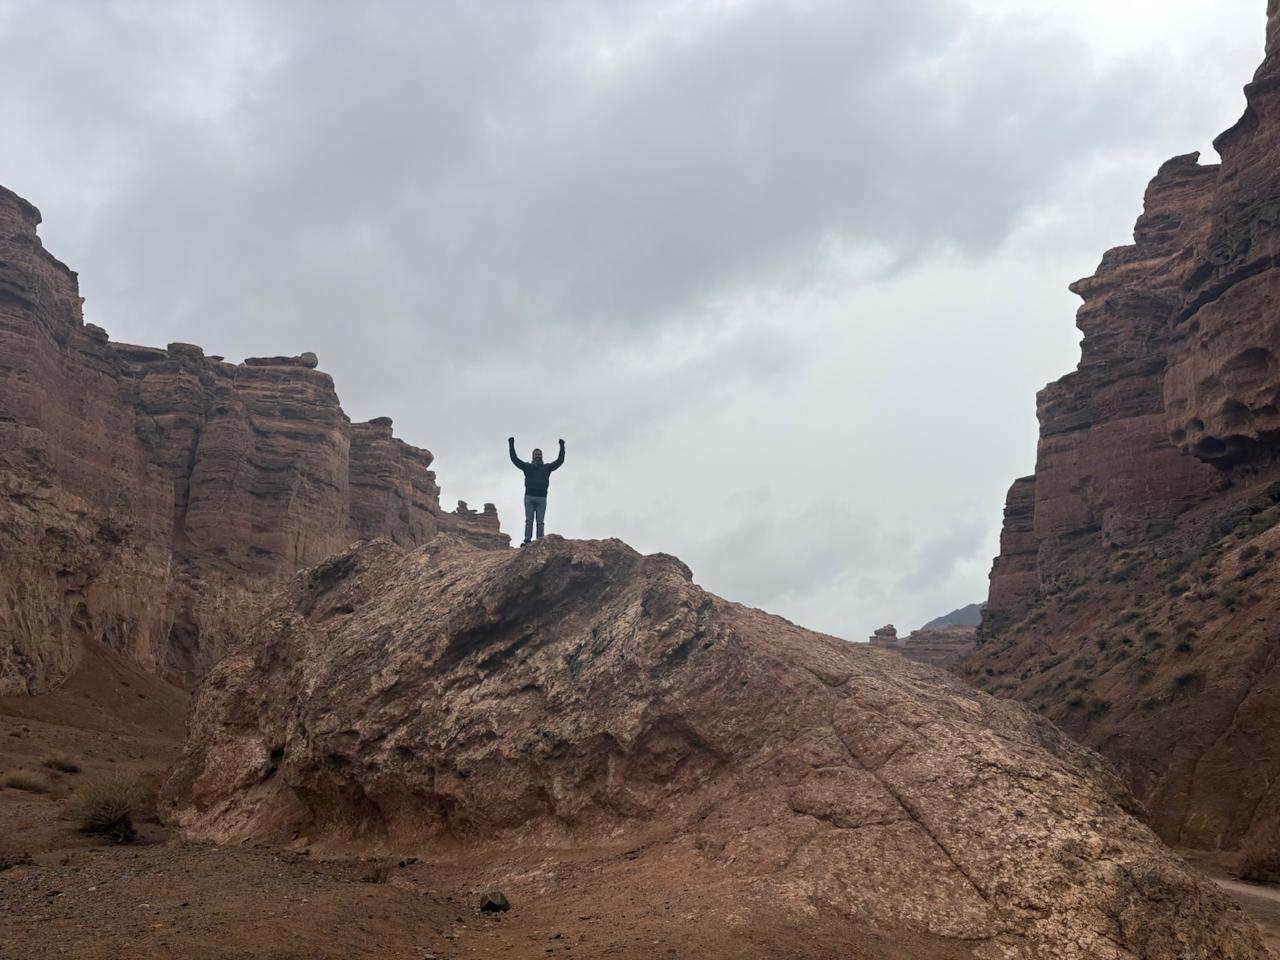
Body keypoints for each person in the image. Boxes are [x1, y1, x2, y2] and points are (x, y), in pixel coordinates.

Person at [509, 436, 565, 545]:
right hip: (529, 497)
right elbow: (515, 459)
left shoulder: (547, 468)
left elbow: (560, 461)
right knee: (529, 520)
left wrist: (562, 446)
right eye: (536, 454)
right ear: (532, 456)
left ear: (542, 456)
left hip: (542, 498)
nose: (538, 456)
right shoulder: (527, 467)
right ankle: (527, 541)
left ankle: (540, 541)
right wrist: (511, 444)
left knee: (540, 522)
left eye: (539, 454)